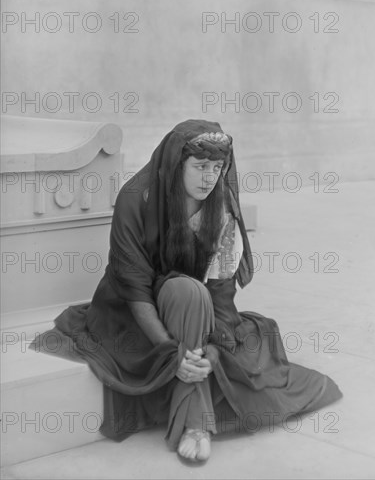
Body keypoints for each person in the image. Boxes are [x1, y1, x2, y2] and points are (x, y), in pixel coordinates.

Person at [31, 119, 342, 463]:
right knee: (188, 295)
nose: (210, 177)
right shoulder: (136, 198)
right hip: (132, 311)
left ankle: (193, 420)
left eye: (218, 167)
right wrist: (169, 352)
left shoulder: (221, 207)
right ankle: (196, 425)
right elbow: (134, 288)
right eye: (200, 167)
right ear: (177, 164)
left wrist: (212, 347)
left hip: (194, 310)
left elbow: (221, 293)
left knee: (193, 296)